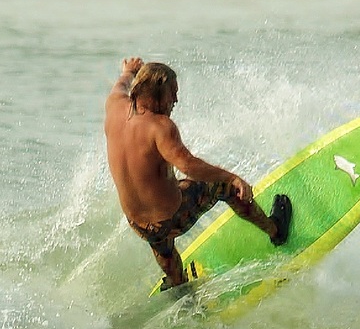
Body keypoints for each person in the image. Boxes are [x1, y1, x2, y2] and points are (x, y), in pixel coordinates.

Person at [104, 57, 291, 289]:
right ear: (156, 94)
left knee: (162, 241)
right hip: (170, 218)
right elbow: (188, 165)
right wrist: (232, 177)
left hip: (139, 225)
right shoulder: (160, 127)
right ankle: (275, 230)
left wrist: (128, 71)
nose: (176, 100)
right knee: (225, 188)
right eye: (172, 93)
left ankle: (176, 281)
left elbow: (121, 85)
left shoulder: (114, 106)